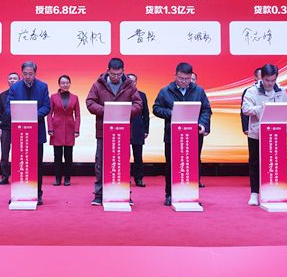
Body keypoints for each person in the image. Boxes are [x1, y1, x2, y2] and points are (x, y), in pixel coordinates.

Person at [152, 62, 212, 206]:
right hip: (172, 135)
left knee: (192, 164)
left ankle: (191, 194)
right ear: (175, 75)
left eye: (187, 79)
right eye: (181, 78)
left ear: (191, 77)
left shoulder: (199, 91)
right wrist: (171, 113)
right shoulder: (165, 91)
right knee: (171, 165)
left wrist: (202, 124)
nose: (184, 81)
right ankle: (169, 194)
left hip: (193, 135)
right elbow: (156, 108)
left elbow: (206, 110)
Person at [86, 57, 142, 206]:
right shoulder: (98, 84)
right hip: (103, 131)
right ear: (108, 71)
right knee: (100, 163)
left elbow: (138, 104)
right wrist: (106, 110)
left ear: (123, 71)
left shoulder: (130, 85)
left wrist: (124, 111)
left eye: (118, 74)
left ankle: (125, 193)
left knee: (123, 163)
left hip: (123, 131)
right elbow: (90, 102)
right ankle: (99, 194)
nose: (116, 77)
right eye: (113, 74)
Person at [241, 63, 287, 206]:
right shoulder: (251, 91)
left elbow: (286, 111)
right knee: (255, 164)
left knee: (274, 163)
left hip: (275, 134)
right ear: (261, 78)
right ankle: (254, 193)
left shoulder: (281, 91)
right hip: (256, 133)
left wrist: (286, 129)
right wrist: (262, 108)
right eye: (267, 80)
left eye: (273, 80)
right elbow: (246, 109)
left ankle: (274, 191)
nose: (270, 83)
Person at [7, 61, 50, 205]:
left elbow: (47, 107)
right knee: (19, 164)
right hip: (19, 132)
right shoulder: (15, 87)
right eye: (25, 74)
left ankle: (37, 194)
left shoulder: (43, 86)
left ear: (35, 73)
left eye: (30, 74)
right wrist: (19, 115)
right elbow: (8, 107)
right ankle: (18, 193)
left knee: (37, 165)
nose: (27, 76)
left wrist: (32, 115)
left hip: (37, 132)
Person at [47, 75, 81, 186]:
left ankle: (67, 179)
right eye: (62, 83)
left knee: (68, 155)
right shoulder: (53, 97)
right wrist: (50, 129)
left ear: (70, 83)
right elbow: (49, 114)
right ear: (59, 84)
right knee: (57, 156)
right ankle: (57, 178)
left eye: (67, 82)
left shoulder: (75, 97)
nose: (65, 85)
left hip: (70, 129)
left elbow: (78, 115)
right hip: (56, 130)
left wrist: (76, 130)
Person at [0, 72, 20, 185]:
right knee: (4, 154)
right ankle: (4, 177)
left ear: (19, 81)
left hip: (19, 127)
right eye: (10, 78)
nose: (12, 80)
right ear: (7, 81)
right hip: (5, 128)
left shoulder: (23, 94)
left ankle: (18, 176)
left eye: (15, 78)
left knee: (19, 154)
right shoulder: (3, 95)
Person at [127, 74, 149, 187]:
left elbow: (146, 114)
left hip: (138, 129)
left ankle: (139, 178)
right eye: (129, 81)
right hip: (124, 129)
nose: (131, 83)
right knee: (124, 156)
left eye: (133, 81)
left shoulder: (142, 95)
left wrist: (146, 130)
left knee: (138, 156)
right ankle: (124, 178)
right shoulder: (121, 94)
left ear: (136, 82)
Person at [240, 67, 262, 136]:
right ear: (255, 77)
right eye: (261, 75)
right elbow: (244, 110)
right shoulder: (249, 91)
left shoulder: (275, 90)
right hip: (253, 127)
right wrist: (245, 127)